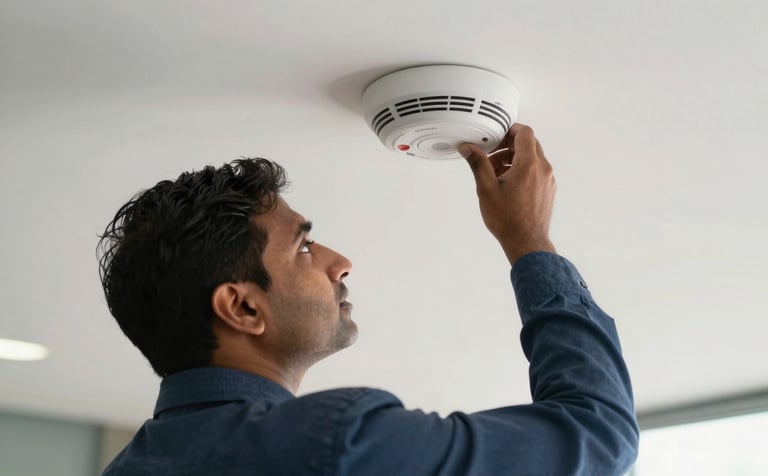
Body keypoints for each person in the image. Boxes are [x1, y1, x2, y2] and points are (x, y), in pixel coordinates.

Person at [98, 124, 639, 475]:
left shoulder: (128, 468)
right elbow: (599, 438)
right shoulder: (334, 443)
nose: (340, 262)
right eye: (304, 246)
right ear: (242, 308)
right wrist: (530, 242)